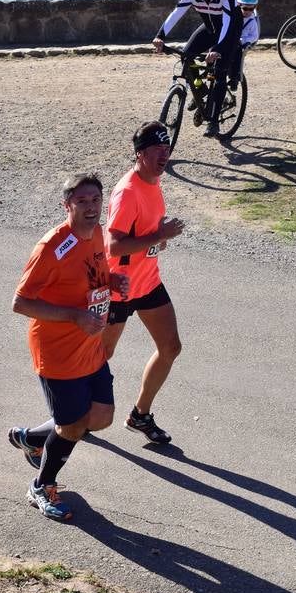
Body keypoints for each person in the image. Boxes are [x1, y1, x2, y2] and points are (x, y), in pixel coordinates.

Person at [8, 173, 130, 521]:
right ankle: (41, 486)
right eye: (82, 202)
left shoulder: (96, 234)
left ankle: (31, 438)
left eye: (95, 200)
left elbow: (92, 275)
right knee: (73, 427)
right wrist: (74, 316)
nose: (91, 208)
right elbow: (20, 302)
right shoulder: (51, 247)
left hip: (89, 345)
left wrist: (112, 280)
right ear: (67, 206)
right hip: (59, 353)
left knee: (101, 417)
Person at [102, 122, 187, 445]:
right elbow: (114, 246)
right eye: (157, 150)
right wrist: (159, 235)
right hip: (119, 288)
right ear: (140, 154)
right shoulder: (127, 191)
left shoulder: (153, 181)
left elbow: (146, 236)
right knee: (100, 356)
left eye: (167, 150)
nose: (164, 156)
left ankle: (140, 415)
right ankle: (66, 416)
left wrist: (158, 235)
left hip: (147, 281)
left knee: (171, 347)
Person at [152, 0, 241, 138]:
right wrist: (160, 36)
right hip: (209, 30)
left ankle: (214, 122)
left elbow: (227, 24)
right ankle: (200, 91)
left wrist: (217, 49)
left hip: (229, 33)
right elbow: (176, 14)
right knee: (186, 56)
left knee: (219, 72)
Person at [235, 0, 260, 85]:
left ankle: (235, 76)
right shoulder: (234, 16)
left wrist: (244, 40)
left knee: (238, 54)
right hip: (233, 39)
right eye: (245, 8)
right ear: (239, 5)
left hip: (242, 43)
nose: (248, 11)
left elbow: (255, 36)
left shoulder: (252, 21)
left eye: (251, 9)